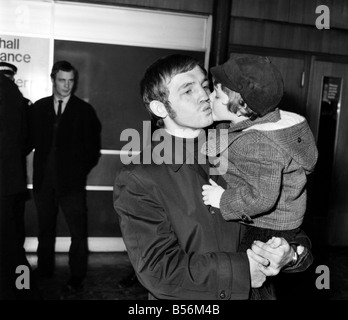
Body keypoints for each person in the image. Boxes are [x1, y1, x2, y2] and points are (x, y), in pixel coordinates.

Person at [113, 53, 313, 300]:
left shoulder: (247, 142)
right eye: (188, 90)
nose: (205, 96)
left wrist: (290, 254)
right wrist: (241, 272)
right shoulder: (139, 177)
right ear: (160, 107)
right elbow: (158, 272)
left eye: (206, 86)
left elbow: (287, 213)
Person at [201, 53, 318, 299]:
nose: (209, 97)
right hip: (281, 222)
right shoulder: (258, 122)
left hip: (266, 228)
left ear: (242, 105)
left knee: (250, 283)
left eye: (217, 94)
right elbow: (231, 133)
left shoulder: (259, 142)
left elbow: (262, 197)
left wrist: (222, 199)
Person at [27, 60, 101, 292]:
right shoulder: (38, 108)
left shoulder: (85, 111)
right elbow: (27, 141)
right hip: (43, 183)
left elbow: (92, 150)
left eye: (70, 81)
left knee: (78, 233)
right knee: (44, 230)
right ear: (52, 79)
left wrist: (77, 173)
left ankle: (77, 276)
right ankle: (45, 269)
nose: (67, 86)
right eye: (62, 80)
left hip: (72, 185)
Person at [0, 73, 40, 300]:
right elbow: (24, 140)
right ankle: (24, 289)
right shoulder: (11, 89)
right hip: (10, 183)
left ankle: (23, 292)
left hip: (4, 185)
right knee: (12, 247)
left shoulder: (4, 89)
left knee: (10, 250)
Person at [0, 61, 32, 248]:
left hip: (11, 176)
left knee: (11, 228)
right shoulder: (19, 101)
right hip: (13, 177)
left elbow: (28, 139)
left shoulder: (21, 104)